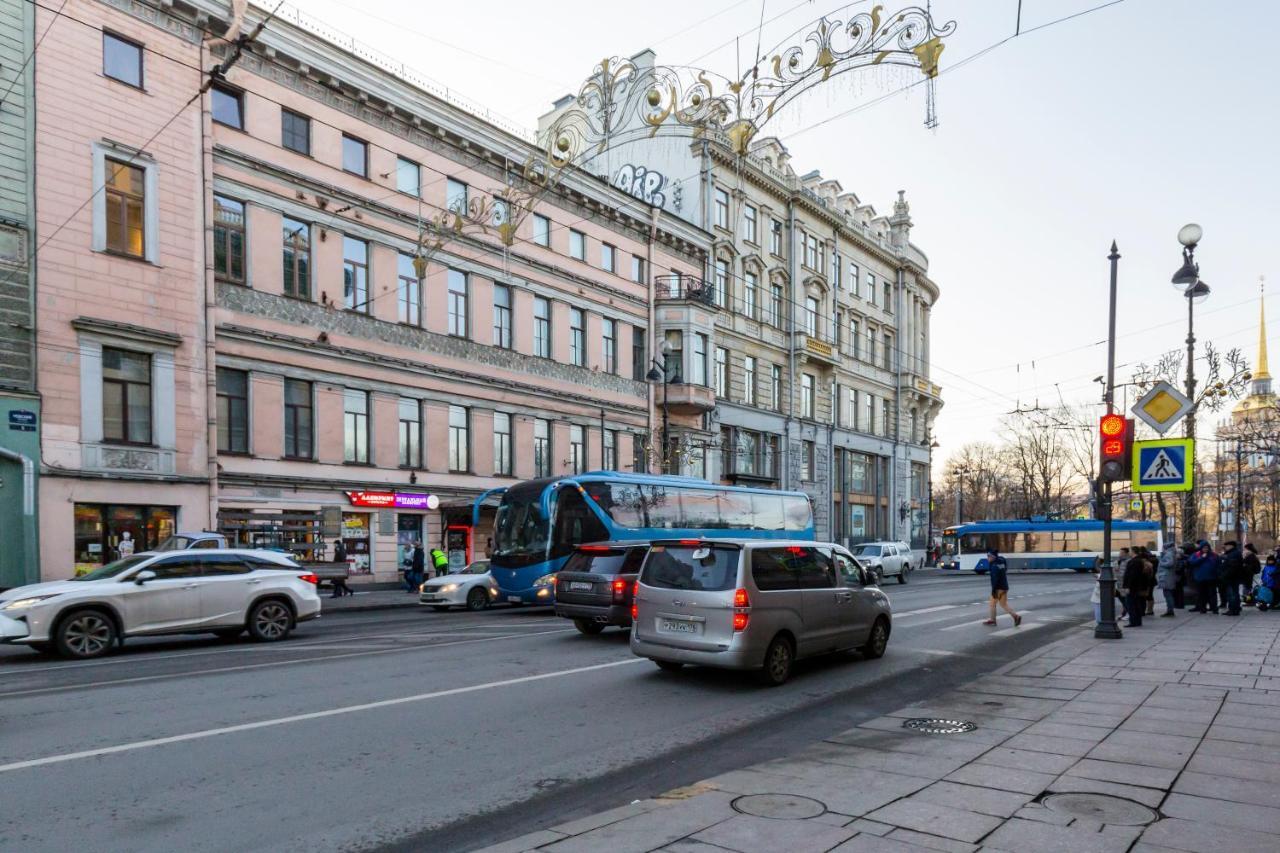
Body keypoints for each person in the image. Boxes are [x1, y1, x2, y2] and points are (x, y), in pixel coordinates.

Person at [983, 548, 1022, 628]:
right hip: (1005, 586)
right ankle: (1016, 617)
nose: (988, 558)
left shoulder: (994, 566)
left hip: (998, 588)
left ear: (993, 557)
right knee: (1003, 604)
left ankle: (993, 621)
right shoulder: (1001, 561)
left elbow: (995, 579)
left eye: (989, 556)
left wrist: (994, 591)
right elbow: (1005, 570)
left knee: (992, 604)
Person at [1123, 549, 1153, 627]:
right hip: (1139, 586)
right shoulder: (1140, 561)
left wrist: (1127, 586)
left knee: (1131, 604)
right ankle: (1138, 621)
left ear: (1133, 552)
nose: (1129, 553)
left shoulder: (1134, 562)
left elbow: (1131, 576)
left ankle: (1133, 621)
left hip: (1133, 587)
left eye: (1130, 551)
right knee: (1136, 604)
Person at [1189, 541, 1220, 614]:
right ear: (1201, 548)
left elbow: (1218, 565)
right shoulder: (1196, 554)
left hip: (1211, 578)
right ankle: (1203, 608)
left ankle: (1214, 608)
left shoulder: (1214, 555)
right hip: (1200, 578)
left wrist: (1217, 574)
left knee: (1212, 594)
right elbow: (1192, 562)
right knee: (1202, 594)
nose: (1205, 549)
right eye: (1204, 548)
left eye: (1207, 547)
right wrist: (1201, 558)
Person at [1156, 541, 1179, 617]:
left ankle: (1170, 610)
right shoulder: (1171, 553)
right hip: (1168, 576)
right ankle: (1170, 609)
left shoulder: (1168, 554)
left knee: (1168, 594)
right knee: (1168, 594)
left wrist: (1161, 563)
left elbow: (1170, 563)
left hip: (1166, 577)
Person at [1220, 541, 1243, 616]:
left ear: (1231, 546)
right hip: (1232, 577)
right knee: (1234, 593)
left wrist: (1224, 575)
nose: (1225, 547)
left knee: (1232, 594)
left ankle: (1233, 610)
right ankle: (1234, 609)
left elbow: (1232, 567)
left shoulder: (1234, 554)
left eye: (1226, 546)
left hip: (1232, 578)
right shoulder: (1232, 553)